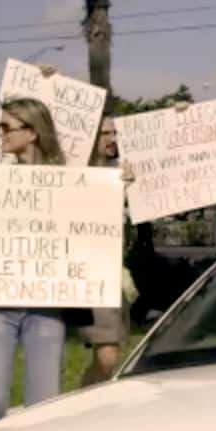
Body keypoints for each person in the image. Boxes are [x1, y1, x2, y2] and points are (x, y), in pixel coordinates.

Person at [0, 97, 69, 430]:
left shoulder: (70, 181)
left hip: (45, 307)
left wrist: (118, 188)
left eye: (5, 127)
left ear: (32, 132)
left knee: (44, 409)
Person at [80, 114, 135, 385]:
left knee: (109, 358)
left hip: (111, 275)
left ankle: (86, 403)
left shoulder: (122, 172)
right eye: (105, 133)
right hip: (80, 274)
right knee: (106, 358)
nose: (113, 139)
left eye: (114, 133)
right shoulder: (69, 171)